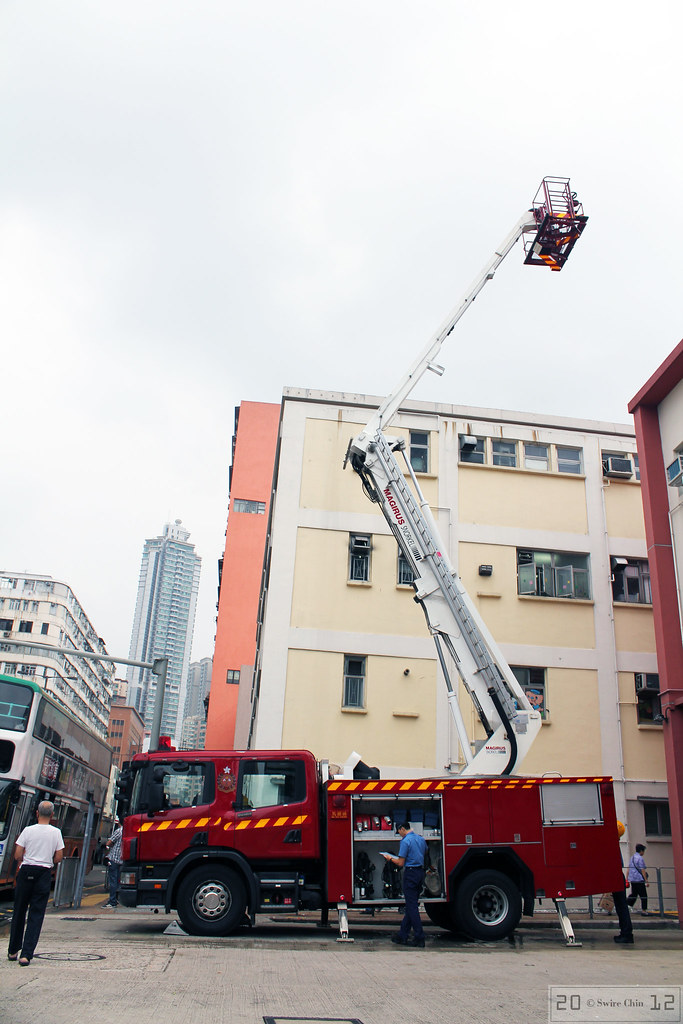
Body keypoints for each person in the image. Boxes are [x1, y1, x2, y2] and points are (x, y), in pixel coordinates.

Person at [7, 800, 64, 966]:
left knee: (19, 911)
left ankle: (13, 951)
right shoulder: (56, 832)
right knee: (36, 913)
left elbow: (17, 854)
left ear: (37, 813)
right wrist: (49, 862)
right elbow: (59, 856)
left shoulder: (28, 830)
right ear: (52, 815)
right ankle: (26, 954)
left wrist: (25, 859)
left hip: (26, 871)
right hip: (44, 873)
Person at [382, 821, 427, 948]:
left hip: (411, 874)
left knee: (412, 907)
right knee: (411, 905)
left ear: (402, 829)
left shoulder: (405, 841)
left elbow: (401, 863)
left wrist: (390, 858)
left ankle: (419, 937)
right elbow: (425, 853)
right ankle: (402, 935)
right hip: (420, 873)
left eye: (399, 832)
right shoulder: (420, 839)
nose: (399, 835)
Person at [612, 820, 634, 944]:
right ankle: (625, 932)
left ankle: (626, 933)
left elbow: (618, 863)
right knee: (621, 906)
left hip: (616, 877)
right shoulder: (616, 845)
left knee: (621, 906)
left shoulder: (613, 846)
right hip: (618, 877)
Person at [103, 818, 123, 909]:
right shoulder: (129, 831)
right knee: (119, 881)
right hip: (122, 860)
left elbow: (109, 842)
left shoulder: (119, 831)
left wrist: (108, 845)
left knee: (113, 881)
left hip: (114, 859)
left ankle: (112, 901)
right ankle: (117, 899)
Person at [627, 844, 649, 913]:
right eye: (643, 851)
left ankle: (626, 904)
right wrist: (646, 880)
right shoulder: (640, 858)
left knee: (634, 894)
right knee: (644, 895)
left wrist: (627, 878)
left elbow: (628, 868)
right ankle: (644, 910)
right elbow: (642, 870)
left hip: (633, 879)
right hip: (639, 880)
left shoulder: (632, 858)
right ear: (641, 851)